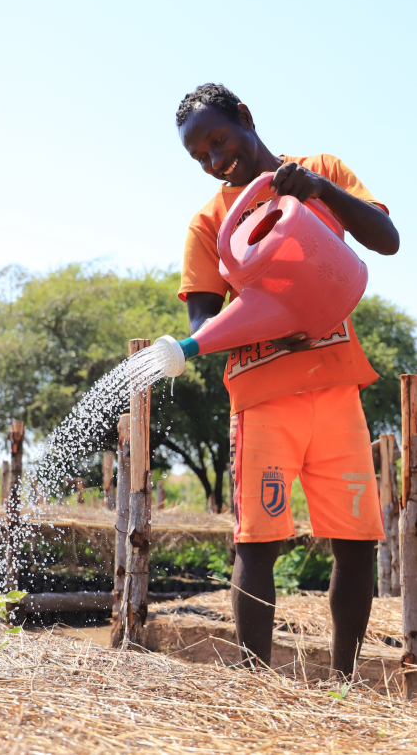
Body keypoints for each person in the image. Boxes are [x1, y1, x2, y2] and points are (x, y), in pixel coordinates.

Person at [176, 83, 399, 679]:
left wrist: (319, 190)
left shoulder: (322, 171)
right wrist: (272, 325)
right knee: (259, 541)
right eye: (200, 157)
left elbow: (388, 241)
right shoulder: (210, 222)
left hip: (336, 390)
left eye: (219, 140)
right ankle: (254, 682)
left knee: (356, 542)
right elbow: (202, 322)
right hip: (263, 398)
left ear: (246, 117)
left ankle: (343, 685)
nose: (215, 161)